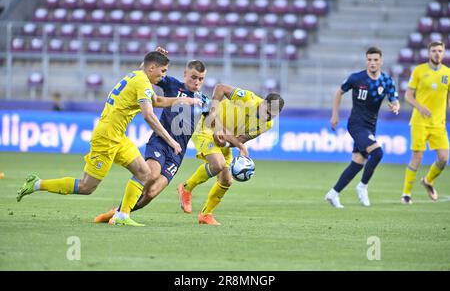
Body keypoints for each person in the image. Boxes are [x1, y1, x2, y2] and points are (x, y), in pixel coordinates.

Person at [16, 51, 200, 226]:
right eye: (162, 71)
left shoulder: (137, 76)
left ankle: (122, 215)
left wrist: (183, 100)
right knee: (86, 187)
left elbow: (157, 101)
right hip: (106, 137)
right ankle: (37, 184)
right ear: (151, 68)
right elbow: (149, 115)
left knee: (144, 173)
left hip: (118, 136)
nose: (163, 76)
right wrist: (170, 140)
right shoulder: (142, 82)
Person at [94, 59, 209, 224]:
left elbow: (214, 125)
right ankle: (121, 214)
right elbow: (144, 75)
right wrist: (151, 59)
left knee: (152, 192)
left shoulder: (203, 101)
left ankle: (118, 212)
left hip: (178, 153)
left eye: (201, 79)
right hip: (160, 142)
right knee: (151, 174)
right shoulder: (173, 85)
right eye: (193, 77)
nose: (197, 82)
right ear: (185, 74)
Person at [177, 83, 285, 225]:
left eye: (273, 116)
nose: (269, 117)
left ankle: (206, 215)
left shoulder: (267, 125)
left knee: (226, 181)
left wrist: (226, 143)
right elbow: (220, 87)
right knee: (219, 164)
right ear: (263, 104)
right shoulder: (248, 99)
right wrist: (212, 111)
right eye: (268, 112)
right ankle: (186, 188)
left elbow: (240, 140)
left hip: (225, 136)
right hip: (207, 127)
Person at [325, 47, 400, 208]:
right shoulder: (357, 78)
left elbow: (394, 99)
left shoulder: (387, 81)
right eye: (369, 60)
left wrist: (396, 107)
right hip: (356, 124)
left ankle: (333, 193)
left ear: (381, 61)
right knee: (378, 153)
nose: (372, 63)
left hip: (371, 126)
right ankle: (362, 186)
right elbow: (339, 92)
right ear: (366, 61)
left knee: (358, 162)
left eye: (375, 60)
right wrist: (335, 115)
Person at [401, 41, 450, 204]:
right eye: (434, 50)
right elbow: (408, 95)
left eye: (440, 51)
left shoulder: (448, 73)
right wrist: (420, 107)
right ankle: (406, 194)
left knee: (443, 158)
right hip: (420, 122)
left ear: (443, 53)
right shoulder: (419, 71)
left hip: (439, 123)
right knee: (417, 157)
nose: (437, 53)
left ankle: (428, 181)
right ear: (429, 53)